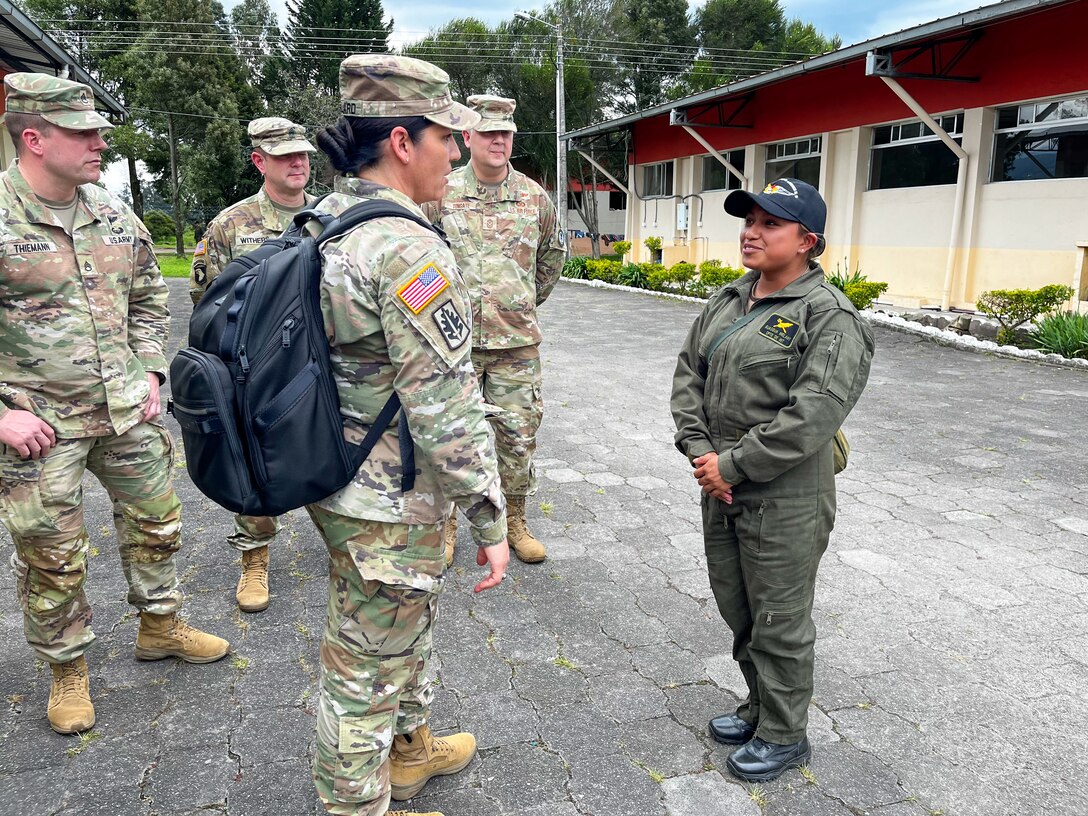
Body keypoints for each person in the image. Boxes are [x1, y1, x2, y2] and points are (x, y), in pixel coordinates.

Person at [305, 55, 510, 816]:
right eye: (446, 139)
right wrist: (491, 515)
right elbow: (445, 406)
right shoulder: (406, 247)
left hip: (339, 477)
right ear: (401, 140)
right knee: (361, 676)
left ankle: (411, 752)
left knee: (392, 636)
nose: (457, 154)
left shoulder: (330, 219)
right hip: (389, 499)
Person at [0, 73, 229, 736]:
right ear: (36, 138)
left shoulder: (113, 212)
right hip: (38, 425)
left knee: (158, 523)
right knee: (51, 551)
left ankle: (160, 626)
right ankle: (67, 667)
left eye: (100, 130)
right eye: (84, 132)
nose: (101, 142)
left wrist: (152, 372)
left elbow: (151, 296)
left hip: (126, 411)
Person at [671, 178, 874, 782]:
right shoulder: (729, 300)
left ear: (807, 241)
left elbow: (813, 414)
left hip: (784, 496)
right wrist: (700, 450)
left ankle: (786, 735)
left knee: (779, 619)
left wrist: (730, 465)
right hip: (720, 484)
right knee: (740, 608)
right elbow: (689, 376)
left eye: (769, 224)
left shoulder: (829, 317)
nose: (751, 232)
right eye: (749, 219)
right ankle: (760, 707)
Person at [424, 94, 564, 566]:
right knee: (449, 437)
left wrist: (518, 303)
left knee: (517, 436)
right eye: (488, 132)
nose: (498, 140)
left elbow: (550, 260)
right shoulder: (439, 195)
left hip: (516, 345)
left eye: (505, 132)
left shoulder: (533, 197)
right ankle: (444, 525)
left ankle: (514, 520)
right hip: (451, 344)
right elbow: (420, 257)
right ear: (468, 137)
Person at [189, 116, 317, 613]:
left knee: (333, 449)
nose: (297, 163)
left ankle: (345, 545)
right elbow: (207, 298)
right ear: (259, 161)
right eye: (285, 156)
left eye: (303, 154)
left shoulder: (331, 217)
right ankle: (255, 558)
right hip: (258, 368)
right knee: (256, 461)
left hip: (320, 361)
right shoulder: (231, 224)